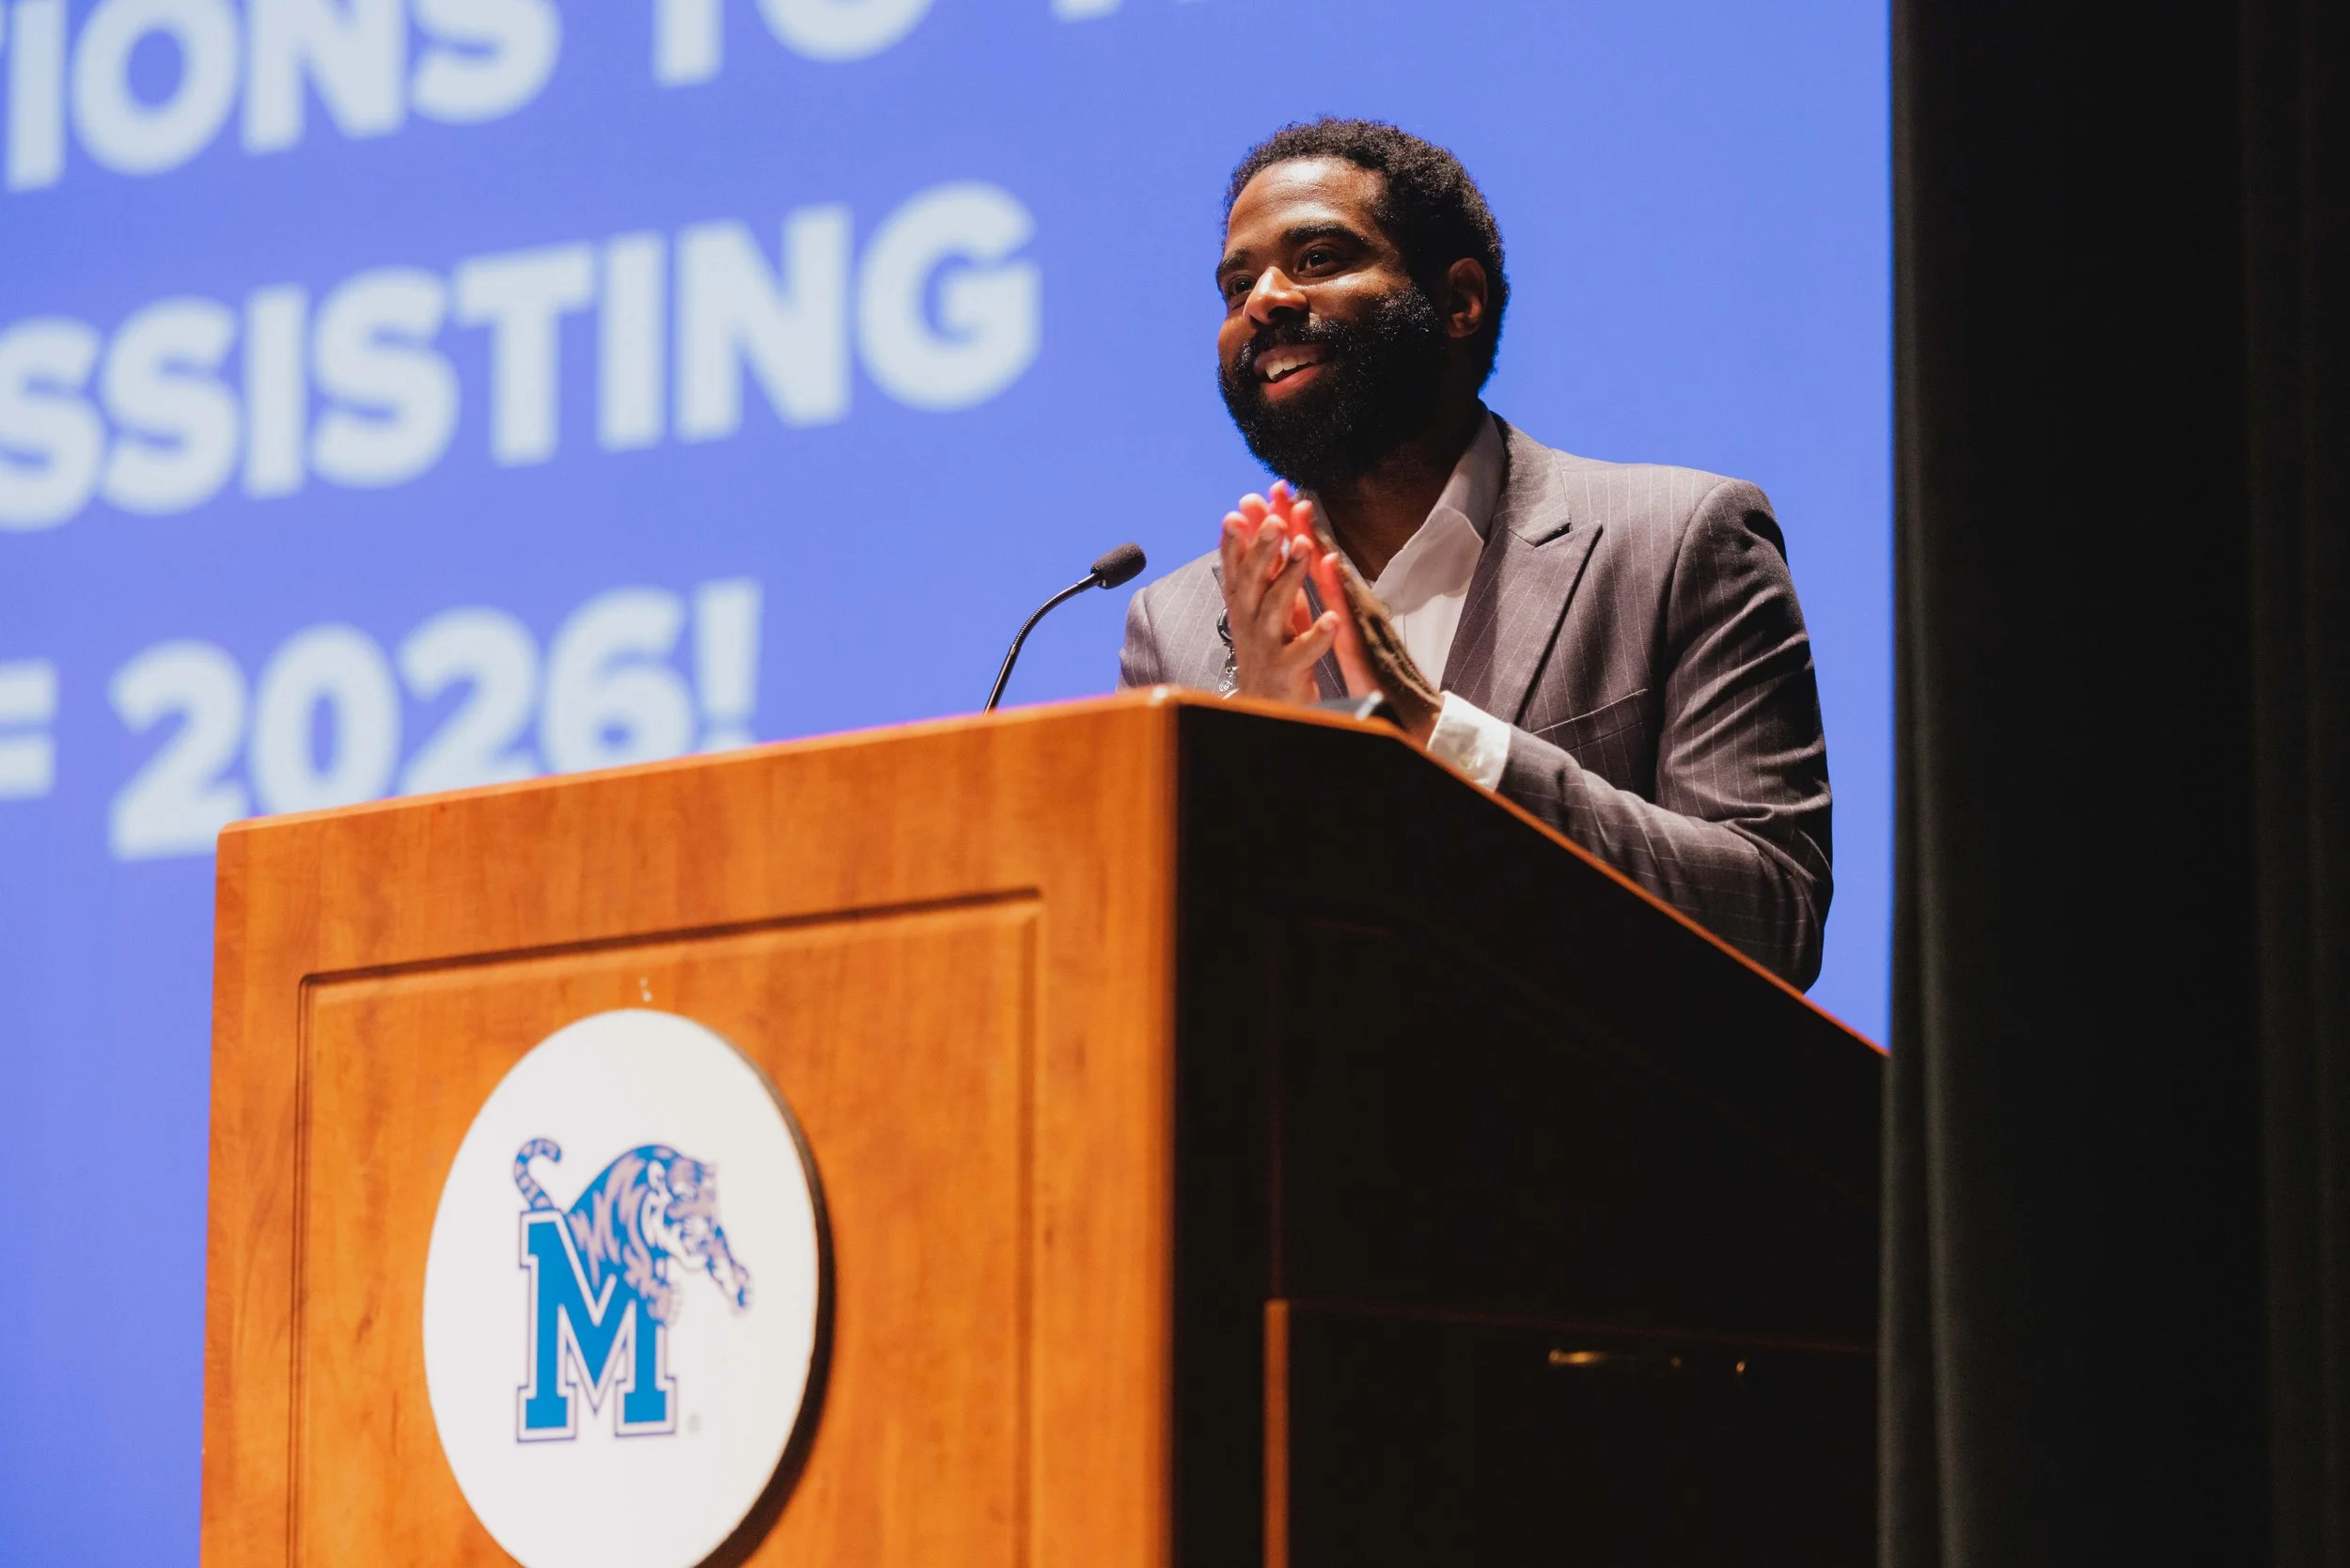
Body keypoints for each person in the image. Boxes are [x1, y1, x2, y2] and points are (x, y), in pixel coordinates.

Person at [1118, 118, 1833, 988]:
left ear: (1460, 300)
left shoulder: (1679, 540)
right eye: (1236, 285)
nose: (1263, 299)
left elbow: (1772, 917)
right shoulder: (1180, 626)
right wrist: (1265, 767)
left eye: (1315, 259)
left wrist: (1437, 732)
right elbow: (1151, 969)